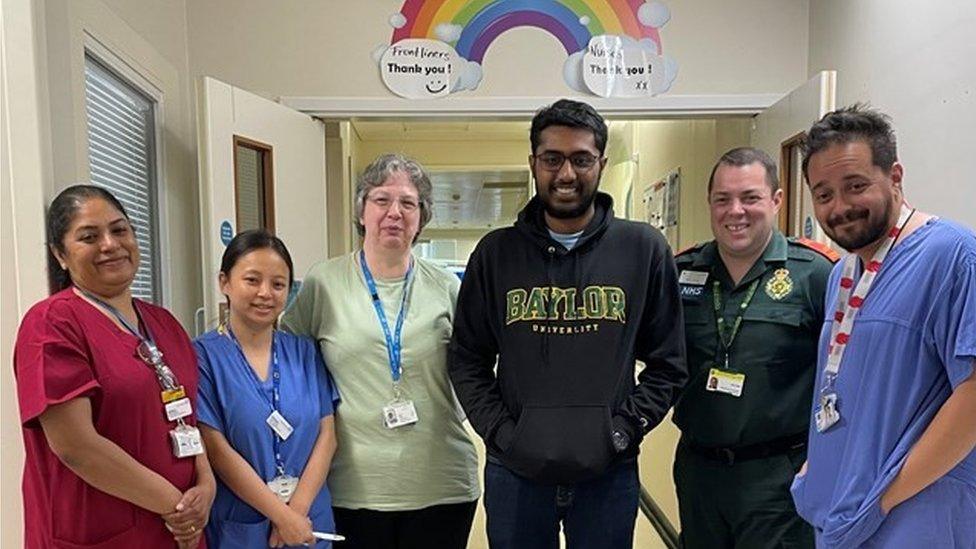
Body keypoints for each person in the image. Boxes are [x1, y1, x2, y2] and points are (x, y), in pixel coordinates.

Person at [449, 99, 687, 549]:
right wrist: (503, 434)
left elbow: (669, 363)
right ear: (533, 163)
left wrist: (624, 430)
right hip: (515, 474)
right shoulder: (496, 254)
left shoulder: (643, 250)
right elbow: (467, 360)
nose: (565, 174)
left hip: (607, 474)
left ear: (601, 163)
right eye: (552, 159)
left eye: (581, 159)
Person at [792, 105, 976, 547]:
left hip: (914, 514)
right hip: (845, 512)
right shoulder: (843, 272)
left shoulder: (952, 256)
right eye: (824, 194)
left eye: (855, 186)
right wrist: (817, 472)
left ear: (895, 176)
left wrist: (883, 500)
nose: (840, 207)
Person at [281, 154, 480, 549]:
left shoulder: (448, 286)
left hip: (441, 481)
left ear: (422, 217)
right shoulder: (326, 282)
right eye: (381, 200)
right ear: (361, 210)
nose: (395, 213)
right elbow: (287, 363)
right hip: (352, 485)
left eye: (408, 203)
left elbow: (479, 366)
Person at [13, 184, 215, 548]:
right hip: (103, 531)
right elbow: (77, 446)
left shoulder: (164, 323)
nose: (109, 244)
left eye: (119, 230)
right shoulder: (52, 324)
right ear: (60, 254)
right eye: (89, 236)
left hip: (176, 530)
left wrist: (206, 483)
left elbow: (186, 415)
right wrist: (176, 505)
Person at [671, 147, 837, 548]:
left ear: (777, 201)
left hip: (778, 475)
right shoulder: (680, 273)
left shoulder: (815, 273)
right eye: (722, 199)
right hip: (699, 471)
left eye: (750, 198)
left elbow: (844, 375)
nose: (735, 211)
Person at [194, 230, 339, 548]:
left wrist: (297, 513)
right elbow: (216, 450)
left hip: (309, 516)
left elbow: (327, 435)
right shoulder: (202, 356)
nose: (265, 293)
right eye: (252, 280)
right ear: (224, 282)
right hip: (243, 520)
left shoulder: (304, 352)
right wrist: (282, 517)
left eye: (278, 284)